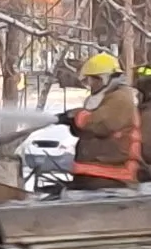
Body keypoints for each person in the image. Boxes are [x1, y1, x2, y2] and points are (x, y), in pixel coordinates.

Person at [58, 51, 139, 188]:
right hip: (97, 174)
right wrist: (73, 122)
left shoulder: (120, 98)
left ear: (104, 79)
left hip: (111, 175)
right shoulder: (107, 97)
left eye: (93, 80)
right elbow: (90, 128)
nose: (90, 85)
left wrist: (77, 117)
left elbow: (101, 123)